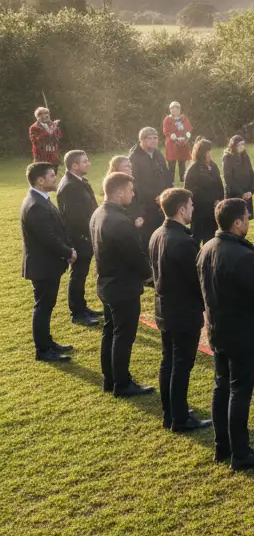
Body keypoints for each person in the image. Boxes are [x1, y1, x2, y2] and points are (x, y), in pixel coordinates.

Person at [198, 197, 254, 471]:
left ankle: (223, 446)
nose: (248, 222)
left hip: (217, 329)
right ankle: (240, 453)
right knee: (239, 392)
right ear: (236, 223)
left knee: (221, 387)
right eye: (246, 218)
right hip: (242, 334)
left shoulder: (206, 248)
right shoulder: (243, 255)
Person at [150, 187, 211, 433]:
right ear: (181, 209)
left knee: (169, 362)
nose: (193, 209)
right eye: (191, 205)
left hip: (164, 309)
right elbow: (196, 281)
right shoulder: (183, 242)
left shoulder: (157, 233)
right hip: (183, 312)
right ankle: (180, 418)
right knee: (181, 366)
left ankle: (171, 412)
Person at [91, 172, 155, 397]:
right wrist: (150, 276)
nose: (133, 194)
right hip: (122, 287)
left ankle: (110, 378)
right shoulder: (119, 221)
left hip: (107, 284)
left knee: (110, 332)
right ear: (119, 193)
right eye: (130, 190)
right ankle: (122, 383)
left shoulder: (99, 213)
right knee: (123, 336)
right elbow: (135, 256)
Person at [21, 161, 76, 362]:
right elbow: (49, 238)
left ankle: (47, 343)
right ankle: (43, 350)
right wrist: (68, 251)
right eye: (52, 176)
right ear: (40, 180)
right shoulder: (35, 205)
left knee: (46, 306)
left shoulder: (41, 199)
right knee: (43, 307)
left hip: (46, 264)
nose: (55, 179)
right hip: (43, 266)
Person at [56, 149, 101, 326]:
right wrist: (91, 232)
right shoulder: (69, 186)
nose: (89, 163)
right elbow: (75, 218)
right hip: (79, 238)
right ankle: (77, 313)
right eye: (85, 161)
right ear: (74, 165)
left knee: (81, 275)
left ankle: (82, 307)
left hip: (86, 235)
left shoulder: (79, 181)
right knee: (78, 275)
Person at [129, 126, 173, 242]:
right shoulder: (134, 158)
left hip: (162, 201)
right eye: (150, 138)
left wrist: (168, 193)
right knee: (149, 237)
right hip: (145, 205)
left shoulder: (158, 154)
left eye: (156, 138)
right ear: (142, 140)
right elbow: (135, 184)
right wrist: (154, 196)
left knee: (163, 235)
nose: (154, 141)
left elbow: (166, 175)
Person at [185, 138, 225, 245]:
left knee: (211, 237)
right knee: (197, 237)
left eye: (210, 151)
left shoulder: (213, 166)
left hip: (213, 209)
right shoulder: (194, 169)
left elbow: (219, 184)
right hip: (200, 210)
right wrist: (211, 200)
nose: (209, 154)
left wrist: (220, 200)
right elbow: (191, 191)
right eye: (207, 151)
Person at [222, 134, 254, 219]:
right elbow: (228, 179)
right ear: (233, 146)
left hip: (247, 193)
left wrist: (251, 191)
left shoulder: (245, 157)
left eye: (243, 144)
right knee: (235, 220)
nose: (241, 147)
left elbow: (251, 173)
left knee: (245, 219)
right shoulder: (227, 158)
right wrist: (241, 193)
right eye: (239, 145)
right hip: (234, 195)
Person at [107, 155, 145, 229]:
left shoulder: (132, 183)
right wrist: (132, 221)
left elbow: (139, 203)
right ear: (116, 169)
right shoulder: (113, 186)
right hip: (124, 223)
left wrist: (140, 215)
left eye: (130, 166)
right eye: (126, 166)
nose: (130, 169)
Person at [162, 101, 194, 183]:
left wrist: (187, 135)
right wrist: (173, 136)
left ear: (180, 109)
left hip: (183, 142)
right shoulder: (167, 119)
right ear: (170, 110)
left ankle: (182, 179)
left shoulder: (183, 118)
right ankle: (171, 181)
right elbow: (166, 130)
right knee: (171, 162)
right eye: (173, 108)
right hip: (172, 143)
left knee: (182, 161)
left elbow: (188, 127)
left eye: (177, 108)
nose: (175, 110)